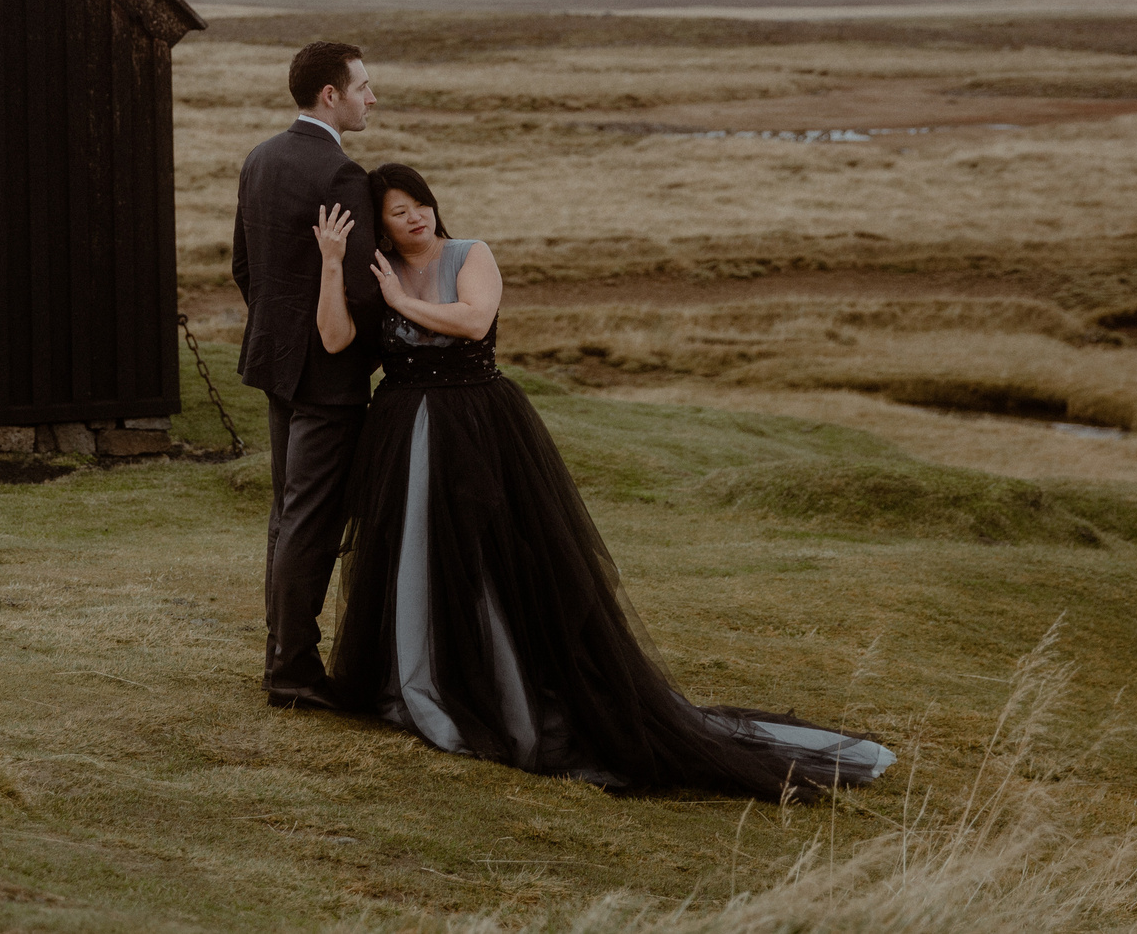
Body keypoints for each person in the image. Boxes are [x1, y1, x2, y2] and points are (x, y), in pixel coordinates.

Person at [313, 163, 893, 797]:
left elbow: (475, 322)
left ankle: (501, 685)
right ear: (382, 226)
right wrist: (332, 263)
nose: (414, 217)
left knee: (490, 557)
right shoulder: (377, 269)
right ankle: (420, 677)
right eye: (397, 212)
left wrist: (402, 304)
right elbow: (336, 338)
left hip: (478, 429)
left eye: (418, 203)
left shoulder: (470, 254)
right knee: (414, 554)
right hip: (403, 431)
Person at [230, 40, 382, 709]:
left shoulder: (260, 158)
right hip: (328, 376)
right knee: (309, 522)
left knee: (287, 516)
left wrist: (280, 335)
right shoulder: (342, 175)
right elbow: (363, 291)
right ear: (331, 94)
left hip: (276, 365)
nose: (371, 97)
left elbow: (244, 266)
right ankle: (292, 673)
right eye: (363, 86)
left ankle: (282, 660)